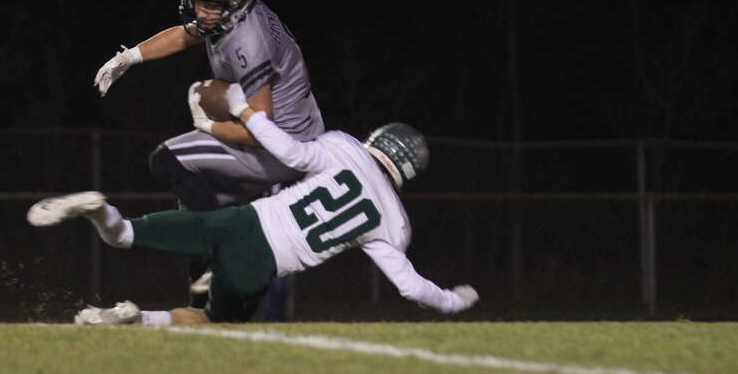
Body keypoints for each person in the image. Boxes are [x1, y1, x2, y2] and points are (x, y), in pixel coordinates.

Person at [29, 82, 479, 325]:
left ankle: (96, 208)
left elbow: (291, 153)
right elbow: (410, 288)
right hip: (261, 264)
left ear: (378, 141)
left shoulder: (343, 146)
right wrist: (454, 301)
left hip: (239, 222)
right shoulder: (395, 223)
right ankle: (133, 317)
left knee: (124, 234)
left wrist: (245, 111)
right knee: (211, 321)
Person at [92, 0, 325, 317]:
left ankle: (215, 259)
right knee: (196, 193)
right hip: (288, 132)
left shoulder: (249, 40)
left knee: (177, 158)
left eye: (209, 5)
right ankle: (205, 300)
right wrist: (129, 58)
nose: (200, 11)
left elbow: (261, 128)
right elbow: (187, 35)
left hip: (280, 146)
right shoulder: (232, 17)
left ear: (234, 3)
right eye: (198, 1)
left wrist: (210, 126)